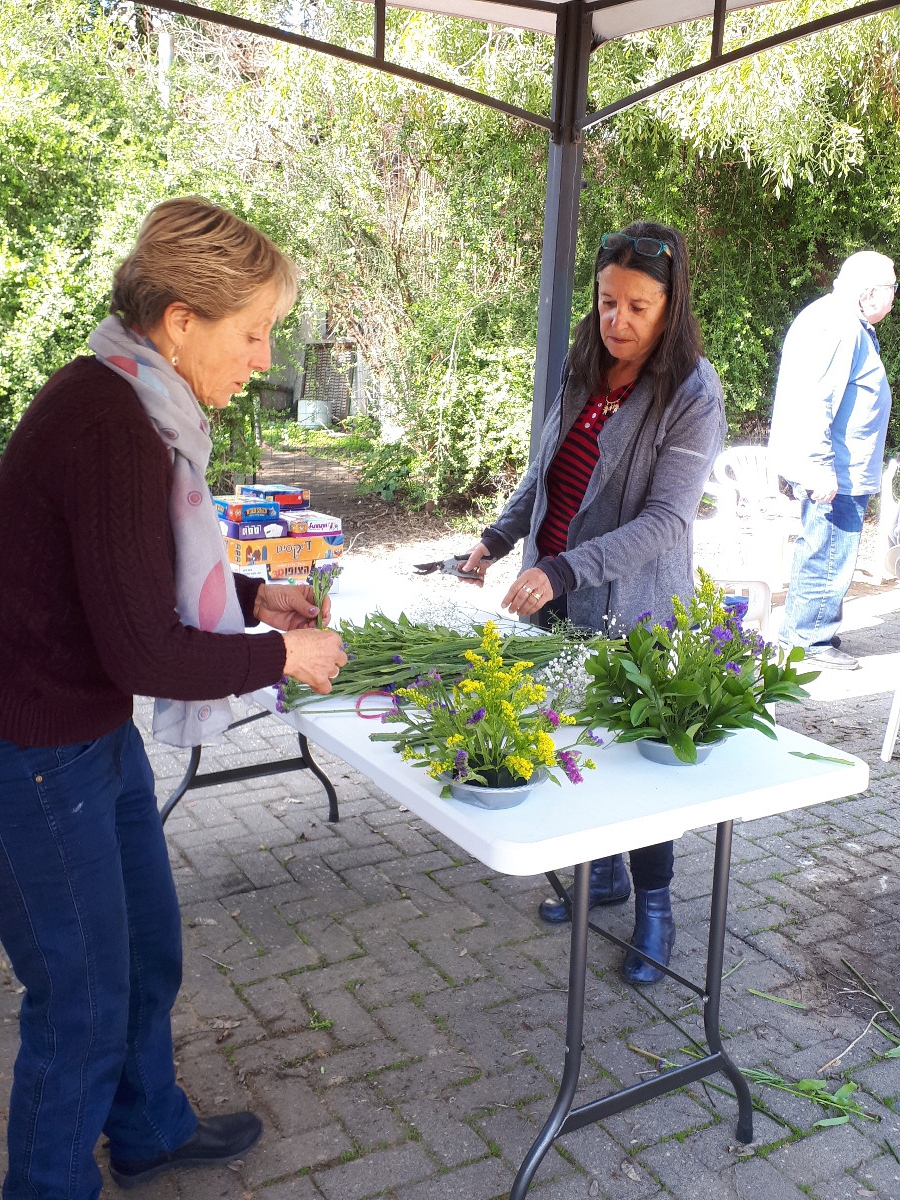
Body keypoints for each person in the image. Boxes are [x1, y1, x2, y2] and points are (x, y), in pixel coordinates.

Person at [0, 197, 348, 1197]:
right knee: (81, 998)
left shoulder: (130, 396)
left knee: (146, 946)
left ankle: (149, 1127)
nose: (262, 356)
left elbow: (123, 572)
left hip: (84, 729)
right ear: (181, 320)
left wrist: (254, 595)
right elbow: (148, 644)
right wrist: (286, 658)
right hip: (31, 750)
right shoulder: (111, 424)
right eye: (252, 332)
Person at [463, 221, 725, 984]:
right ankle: (600, 876)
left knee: (639, 770)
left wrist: (566, 569)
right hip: (557, 593)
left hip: (630, 605)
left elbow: (667, 521)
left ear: (671, 308)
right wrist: (495, 537)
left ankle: (656, 910)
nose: (619, 322)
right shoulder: (587, 365)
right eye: (608, 303)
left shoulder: (691, 393)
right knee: (573, 742)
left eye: (638, 307)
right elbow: (546, 472)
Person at [768, 250, 896, 670]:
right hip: (836, 467)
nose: (894, 298)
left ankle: (811, 630)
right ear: (870, 293)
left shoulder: (837, 318)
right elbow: (815, 400)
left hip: (840, 464)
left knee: (827, 547)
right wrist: (820, 467)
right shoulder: (840, 325)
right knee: (827, 549)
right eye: (893, 288)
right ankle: (808, 640)